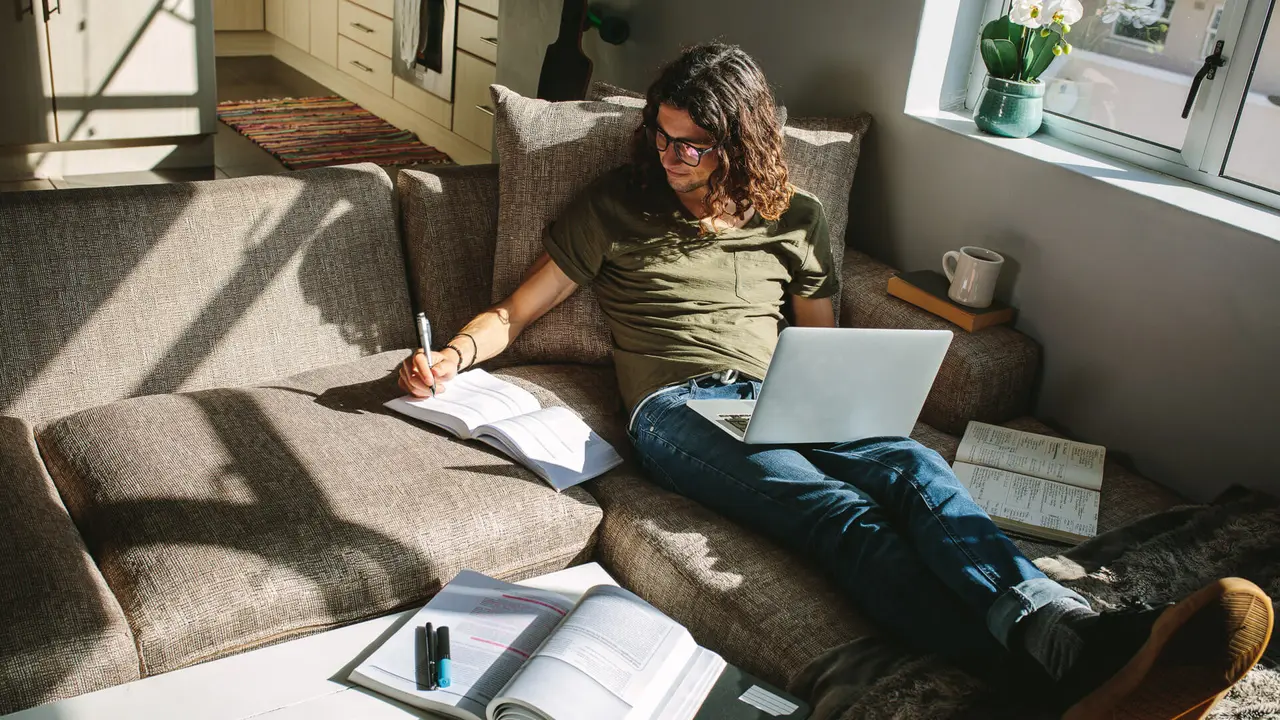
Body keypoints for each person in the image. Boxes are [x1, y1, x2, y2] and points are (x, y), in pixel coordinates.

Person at [398, 43, 1273, 717]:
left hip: (786, 391)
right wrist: (453, 357)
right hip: (678, 410)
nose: (671, 156)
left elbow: (819, 345)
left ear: (740, 142)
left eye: (694, 146)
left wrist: (849, 402)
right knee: (840, 515)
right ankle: (1053, 669)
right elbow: (516, 313)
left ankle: (1065, 635)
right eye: (662, 137)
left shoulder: (797, 219)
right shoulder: (614, 207)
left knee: (915, 469)